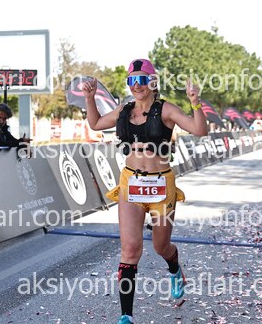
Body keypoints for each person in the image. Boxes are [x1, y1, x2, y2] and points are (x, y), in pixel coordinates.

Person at [83, 59, 208, 324]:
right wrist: (90, 98)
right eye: (132, 80)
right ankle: (126, 315)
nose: (136, 86)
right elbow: (95, 124)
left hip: (161, 185)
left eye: (141, 80)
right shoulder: (123, 110)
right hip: (131, 182)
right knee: (130, 249)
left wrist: (195, 102)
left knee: (161, 245)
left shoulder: (166, 110)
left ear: (152, 82)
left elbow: (199, 129)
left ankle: (174, 268)